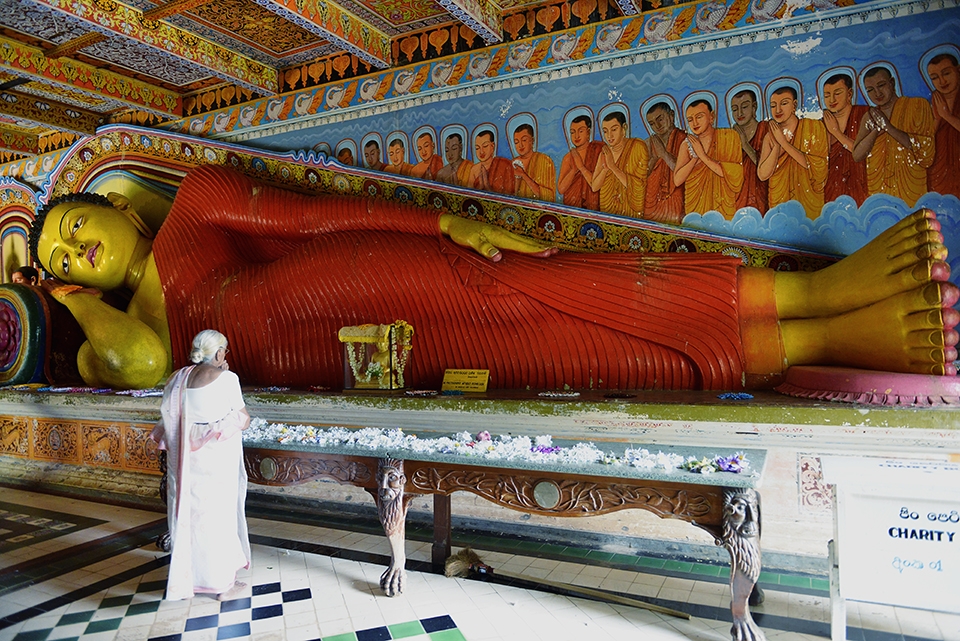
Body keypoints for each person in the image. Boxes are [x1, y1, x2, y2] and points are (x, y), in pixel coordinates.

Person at [31, 165, 959, 392]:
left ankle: (817, 290)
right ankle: (828, 338)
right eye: (65, 256)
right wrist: (66, 301)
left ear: (117, 204)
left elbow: (313, 216)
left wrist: (442, 220)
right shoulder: (126, 336)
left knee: (562, 288)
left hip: (380, 274)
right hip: (356, 362)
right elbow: (149, 366)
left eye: (76, 224)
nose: (77, 249)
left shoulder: (193, 204)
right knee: (578, 357)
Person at [150, 329, 251, 601]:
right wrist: (224, 374)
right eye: (224, 351)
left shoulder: (177, 378)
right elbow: (243, 418)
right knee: (217, 520)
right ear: (219, 353)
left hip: (183, 463)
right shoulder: (228, 379)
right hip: (215, 463)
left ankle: (189, 580)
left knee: (189, 519)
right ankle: (221, 587)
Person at [853, 66, 935, 207]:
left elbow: (926, 151)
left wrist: (888, 127)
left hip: (911, 187)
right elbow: (857, 155)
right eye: (870, 90)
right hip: (880, 189)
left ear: (892, 83)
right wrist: (875, 131)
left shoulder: (917, 105)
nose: (877, 93)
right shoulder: (869, 117)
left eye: (881, 85)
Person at [758, 86, 829, 219]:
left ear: (794, 105)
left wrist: (785, 143)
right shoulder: (770, 137)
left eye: (784, 103)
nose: (777, 110)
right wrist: (777, 145)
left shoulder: (813, 128)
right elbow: (763, 174)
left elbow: (820, 168)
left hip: (808, 200)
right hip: (779, 200)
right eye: (773, 105)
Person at [673, 100, 744, 220]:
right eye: (690, 119)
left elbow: (733, 175)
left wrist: (703, 156)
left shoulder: (729, 137)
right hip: (695, 207)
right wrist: (695, 158)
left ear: (712, 116)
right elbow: (677, 180)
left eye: (699, 117)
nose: (694, 123)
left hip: (722, 206)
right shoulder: (687, 145)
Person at [821, 74, 869, 206]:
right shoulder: (821, 124)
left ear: (850, 94)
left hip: (861, 182)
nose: (831, 99)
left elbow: (866, 153)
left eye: (837, 93)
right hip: (832, 188)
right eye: (826, 95)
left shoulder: (864, 115)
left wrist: (836, 132)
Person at [591, 111, 647, 217]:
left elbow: (639, 188)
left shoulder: (637, 147)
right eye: (605, 131)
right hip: (607, 210)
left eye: (614, 129)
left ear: (624, 127)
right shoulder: (605, 152)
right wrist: (605, 169)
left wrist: (613, 167)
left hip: (629, 213)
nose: (609, 135)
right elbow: (594, 187)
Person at [643, 102, 685, 224]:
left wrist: (664, 154)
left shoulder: (684, 140)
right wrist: (653, 160)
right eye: (651, 124)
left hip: (675, 198)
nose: (657, 125)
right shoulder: (649, 143)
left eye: (660, 119)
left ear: (671, 115)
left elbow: (685, 174)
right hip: (652, 199)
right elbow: (641, 177)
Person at [729, 89, 769, 214]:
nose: (739, 113)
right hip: (737, 196)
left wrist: (745, 144)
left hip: (760, 194)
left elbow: (766, 167)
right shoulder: (730, 136)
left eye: (744, 107)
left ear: (754, 107)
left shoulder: (765, 129)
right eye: (735, 109)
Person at [927, 53, 960, 198]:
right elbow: (927, 141)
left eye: (946, 73)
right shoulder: (935, 101)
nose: (942, 81)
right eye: (934, 78)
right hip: (940, 168)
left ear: (958, 70)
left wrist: (947, 116)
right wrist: (938, 119)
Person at [557, 115, 602, 210]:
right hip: (573, 207)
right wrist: (573, 170)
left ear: (588, 132)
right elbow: (561, 189)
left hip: (595, 207)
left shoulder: (598, 150)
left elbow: (599, 184)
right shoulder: (568, 157)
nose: (576, 136)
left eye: (581, 131)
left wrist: (581, 167)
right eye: (573, 132)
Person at [511, 124, 556, 201]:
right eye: (516, 142)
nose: (520, 145)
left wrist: (523, 175)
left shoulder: (544, 160)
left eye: (524, 140)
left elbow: (549, 196)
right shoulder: (512, 163)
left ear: (532, 140)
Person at [468, 129, 515, 195]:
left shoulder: (505, 164)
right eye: (477, 148)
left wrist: (487, 187)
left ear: (492, 146)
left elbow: (510, 196)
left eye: (485, 146)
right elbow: (469, 195)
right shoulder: (474, 170)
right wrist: (480, 187)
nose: (481, 151)